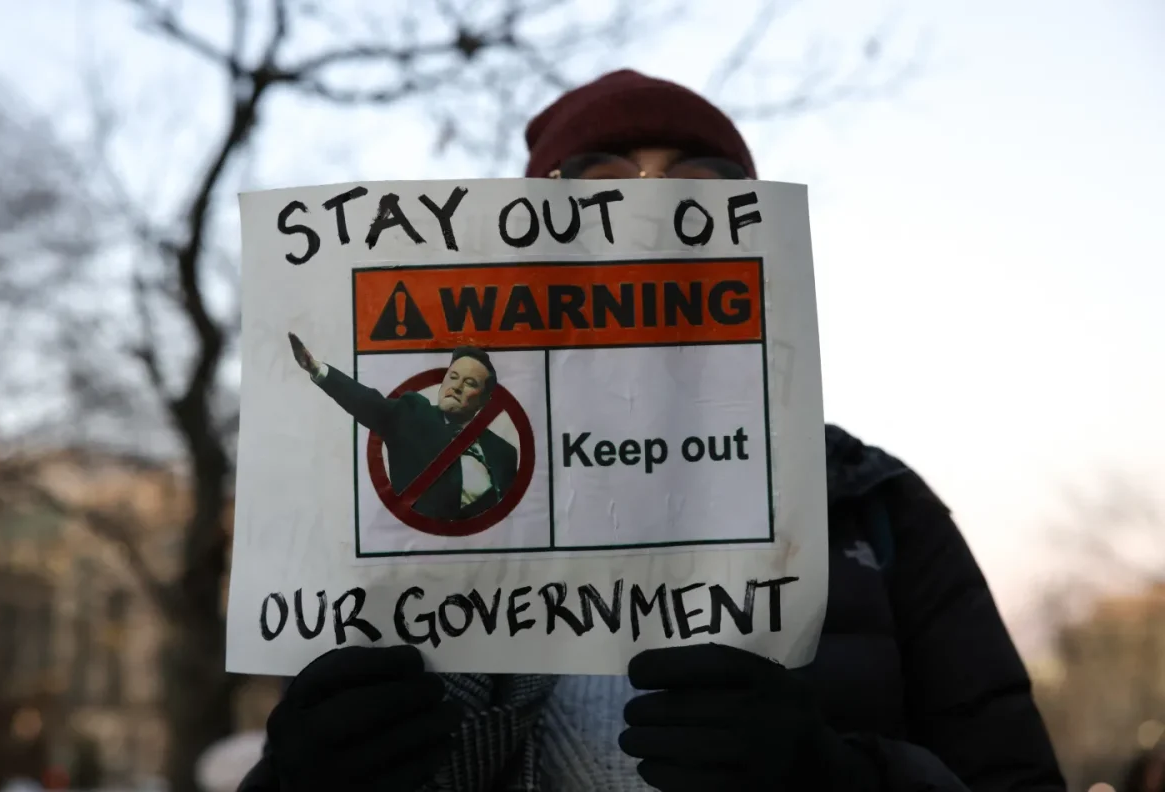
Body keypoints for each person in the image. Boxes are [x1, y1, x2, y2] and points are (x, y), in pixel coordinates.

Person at [242, 70, 1066, 791]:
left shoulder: (874, 504)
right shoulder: (390, 517)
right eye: (596, 182)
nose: (648, 206)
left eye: (702, 185)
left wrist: (841, 775)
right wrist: (295, 776)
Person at [288, 333, 518, 521]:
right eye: (453, 376)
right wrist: (317, 370)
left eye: (469, 383)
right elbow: (369, 403)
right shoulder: (412, 414)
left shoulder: (504, 453)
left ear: (485, 400)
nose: (456, 387)